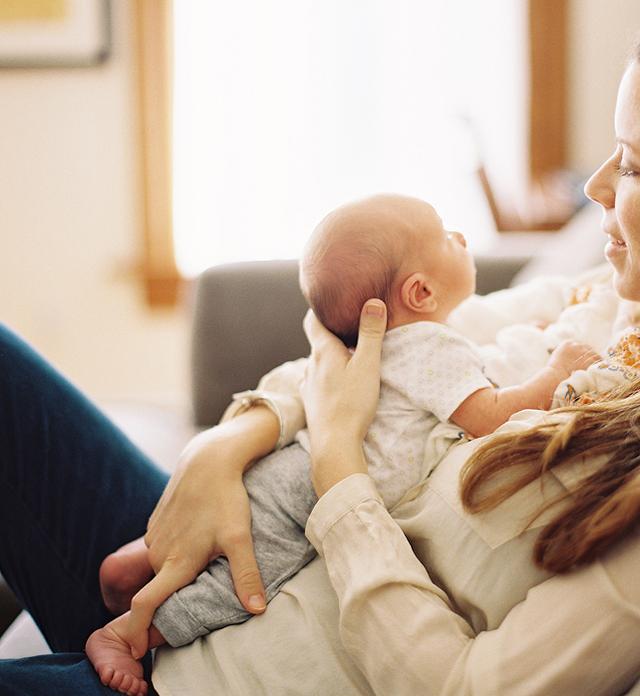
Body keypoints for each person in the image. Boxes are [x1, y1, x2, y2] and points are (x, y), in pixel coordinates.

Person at [2, 40, 640, 696]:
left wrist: (338, 467)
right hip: (233, 532)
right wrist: (230, 444)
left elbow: (466, 688)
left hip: (229, 669)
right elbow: (368, 335)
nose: (593, 186)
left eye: (633, 167)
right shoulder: (601, 289)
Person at [85, 194, 600, 696]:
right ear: (420, 293)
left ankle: (135, 563)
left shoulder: (404, 343)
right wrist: (556, 371)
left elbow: (466, 377)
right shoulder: (434, 345)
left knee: (212, 538)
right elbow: (487, 415)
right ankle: (129, 633)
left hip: (289, 462)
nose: (461, 238)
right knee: (237, 583)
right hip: (311, 491)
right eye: (447, 236)